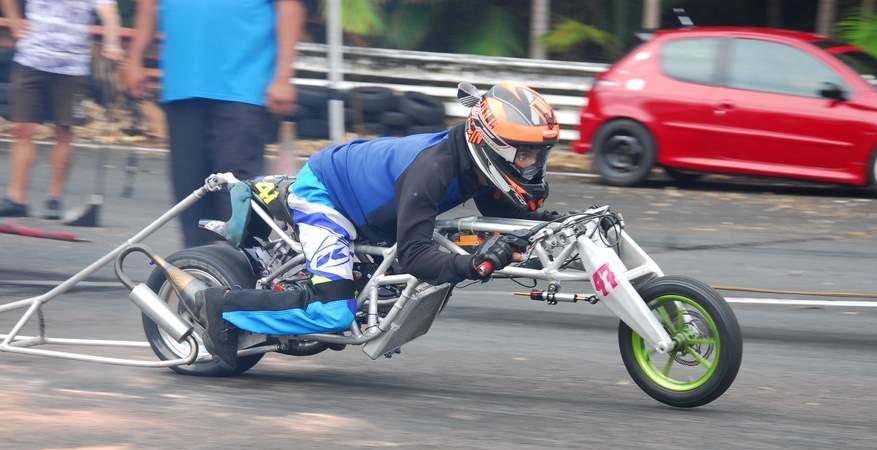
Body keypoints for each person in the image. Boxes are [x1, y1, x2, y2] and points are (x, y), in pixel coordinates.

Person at [191, 82, 561, 369]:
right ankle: (220, 306)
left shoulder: (474, 162)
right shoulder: (432, 169)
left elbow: (507, 220)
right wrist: (473, 264)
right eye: (524, 155)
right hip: (327, 196)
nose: (531, 165)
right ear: (492, 145)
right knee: (333, 312)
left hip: (366, 197)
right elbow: (415, 255)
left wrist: (558, 225)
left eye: (537, 156)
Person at [123, 0, 305, 248]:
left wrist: (283, 77)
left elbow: (289, 6)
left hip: (243, 88)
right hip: (183, 86)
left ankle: (236, 274)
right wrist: (134, 59)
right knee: (191, 195)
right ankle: (200, 272)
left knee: (236, 195)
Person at [0, 0, 122, 219]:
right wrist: (15, 21)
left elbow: (109, 11)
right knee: (22, 128)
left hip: (72, 65)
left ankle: (54, 198)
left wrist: (112, 42)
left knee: (64, 131)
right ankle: (16, 198)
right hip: (31, 58)